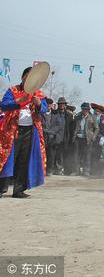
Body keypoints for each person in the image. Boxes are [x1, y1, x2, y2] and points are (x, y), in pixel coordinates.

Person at [0, 67, 48, 198]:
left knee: (24, 160)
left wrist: (38, 104)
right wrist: (18, 101)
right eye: (27, 76)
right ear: (23, 77)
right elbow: (3, 105)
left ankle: (19, 190)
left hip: (30, 131)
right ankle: (1, 188)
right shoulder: (13, 90)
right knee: (7, 158)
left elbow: (44, 109)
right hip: (12, 131)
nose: (29, 79)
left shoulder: (38, 93)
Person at [71, 102, 98, 176]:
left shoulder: (92, 117)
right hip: (78, 138)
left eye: (86, 109)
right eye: (83, 109)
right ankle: (76, 171)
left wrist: (93, 137)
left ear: (88, 110)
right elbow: (73, 127)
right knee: (76, 155)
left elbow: (97, 128)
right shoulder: (78, 117)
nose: (84, 110)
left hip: (87, 139)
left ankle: (86, 171)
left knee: (87, 155)